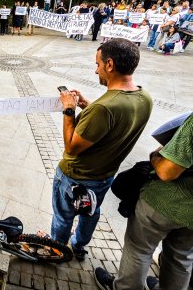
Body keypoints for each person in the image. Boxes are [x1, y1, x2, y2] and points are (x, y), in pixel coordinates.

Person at [50, 38, 152, 261]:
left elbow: (72, 147)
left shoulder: (104, 108)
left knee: (63, 216)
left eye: (97, 64)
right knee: (90, 213)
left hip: (74, 177)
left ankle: (57, 249)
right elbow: (114, 123)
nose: (95, 70)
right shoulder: (144, 97)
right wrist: (87, 106)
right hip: (104, 177)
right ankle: (78, 246)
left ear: (110, 65)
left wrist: (69, 111)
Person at [95, 113, 193, 290]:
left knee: (139, 249)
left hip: (166, 203)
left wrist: (156, 155)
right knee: (181, 257)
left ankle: (124, 287)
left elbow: (167, 172)